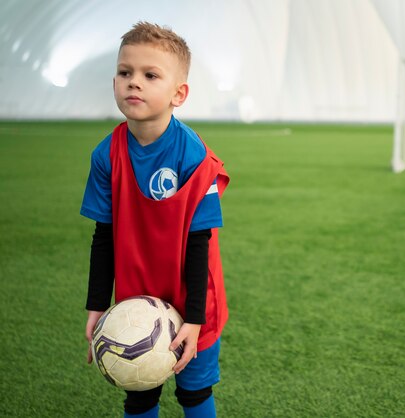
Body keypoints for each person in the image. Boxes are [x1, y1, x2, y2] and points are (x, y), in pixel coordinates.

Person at [81, 22, 229, 418]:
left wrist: (194, 321)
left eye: (150, 75)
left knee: (194, 392)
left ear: (178, 93)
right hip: (137, 292)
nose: (134, 83)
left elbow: (201, 243)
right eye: (125, 73)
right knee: (139, 392)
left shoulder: (195, 157)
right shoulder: (105, 155)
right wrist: (97, 306)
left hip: (193, 295)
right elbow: (104, 235)